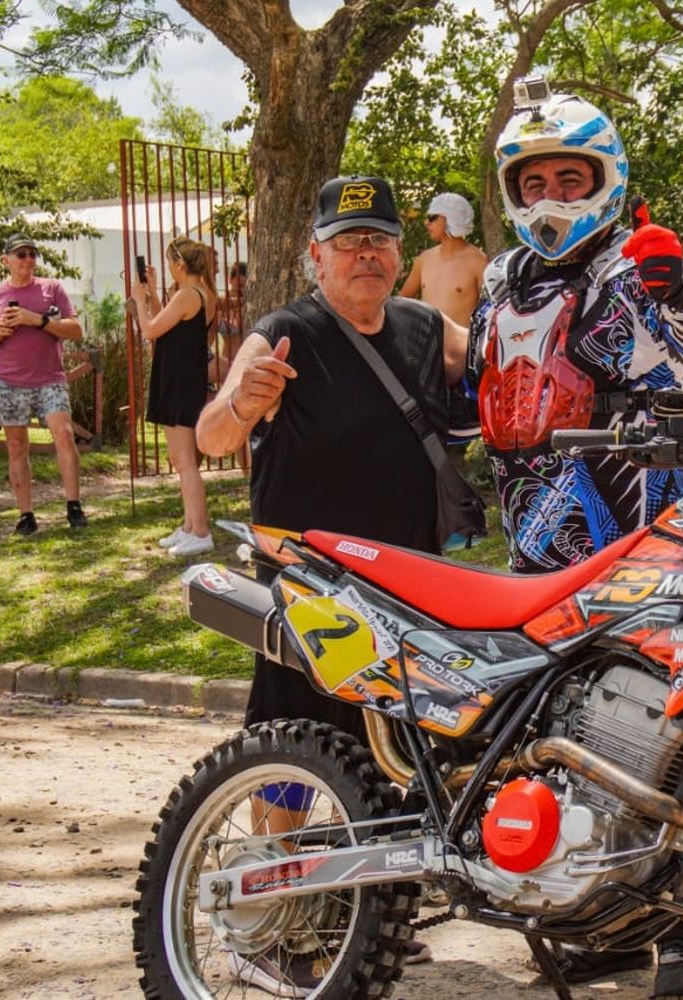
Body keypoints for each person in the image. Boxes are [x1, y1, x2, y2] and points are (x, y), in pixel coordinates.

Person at [472, 84, 683, 997]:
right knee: (558, 732)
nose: (547, 194)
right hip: (535, 530)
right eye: (532, 178)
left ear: (604, 178)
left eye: (567, 176)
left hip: (641, 524)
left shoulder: (634, 263)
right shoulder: (502, 280)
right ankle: (598, 917)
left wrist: (679, 283)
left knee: (673, 730)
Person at [197, 175, 461, 985]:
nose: (366, 254)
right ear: (315, 255)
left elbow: (500, 360)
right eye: (348, 241)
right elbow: (211, 438)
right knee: (295, 751)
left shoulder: (424, 328)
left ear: (399, 254)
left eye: (379, 239)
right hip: (311, 586)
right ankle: (267, 917)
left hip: (411, 587)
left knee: (398, 752)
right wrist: (244, 403)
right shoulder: (286, 332)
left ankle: (371, 910)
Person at [0, 234, 89, 534]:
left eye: (32, 254)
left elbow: (76, 330)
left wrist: (35, 319)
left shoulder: (51, 289)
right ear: (6, 260)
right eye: (21, 254)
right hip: (10, 381)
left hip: (50, 378)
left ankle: (73, 505)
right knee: (16, 445)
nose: (28, 259)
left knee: (63, 434)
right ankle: (26, 514)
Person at [131, 237, 217, 556]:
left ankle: (201, 531)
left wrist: (139, 299)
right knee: (181, 460)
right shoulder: (204, 294)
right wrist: (152, 291)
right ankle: (188, 526)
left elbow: (151, 330)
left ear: (180, 265)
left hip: (179, 381)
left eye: (170, 264)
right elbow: (167, 324)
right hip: (183, 378)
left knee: (184, 461)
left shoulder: (186, 295)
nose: (169, 270)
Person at [399, 192, 488, 324]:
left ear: (451, 218)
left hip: (463, 343)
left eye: (432, 217)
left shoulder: (478, 262)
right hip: (428, 343)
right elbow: (402, 302)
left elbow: (491, 311)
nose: (426, 223)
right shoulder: (424, 259)